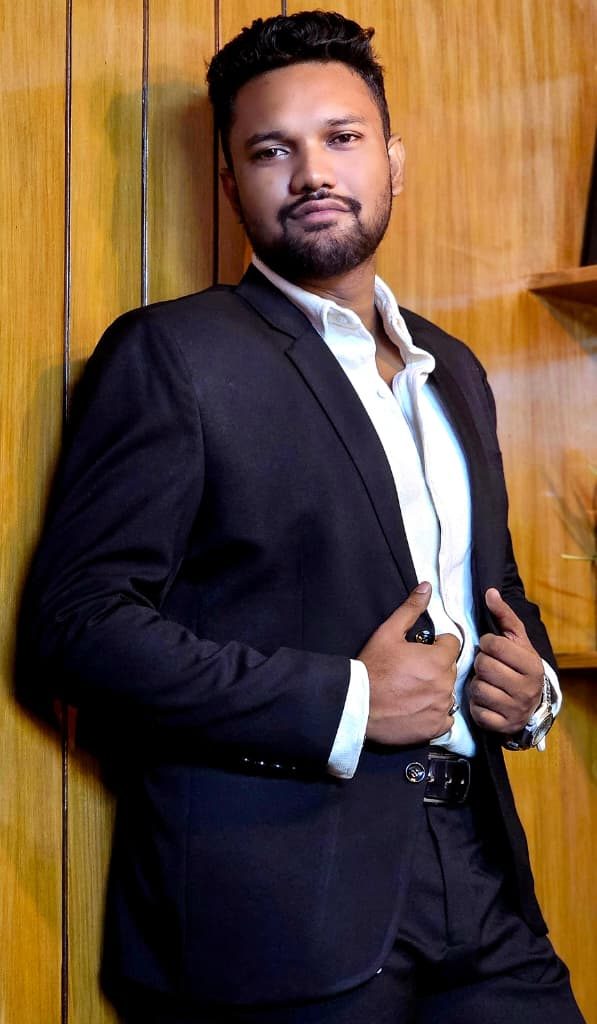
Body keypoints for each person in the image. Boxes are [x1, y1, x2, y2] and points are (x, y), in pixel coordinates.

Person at [23, 11, 584, 1024]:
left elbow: (487, 591)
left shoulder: (454, 371)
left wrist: (530, 688)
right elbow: (77, 628)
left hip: (482, 881)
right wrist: (348, 700)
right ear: (230, 183)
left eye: (342, 137)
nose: (312, 172)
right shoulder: (172, 355)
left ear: (392, 160)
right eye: (271, 150)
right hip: (277, 905)